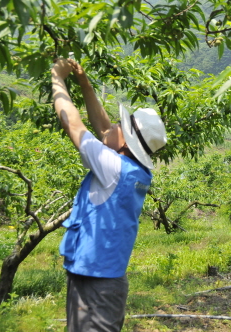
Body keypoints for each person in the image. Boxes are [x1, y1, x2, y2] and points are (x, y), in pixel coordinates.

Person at [51, 58, 167, 332]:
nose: (112, 126)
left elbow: (75, 125)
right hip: (102, 276)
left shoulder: (113, 167)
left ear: (125, 143)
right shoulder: (133, 170)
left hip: (96, 281)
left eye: (119, 125)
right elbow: (104, 129)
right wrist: (84, 82)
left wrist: (57, 77)